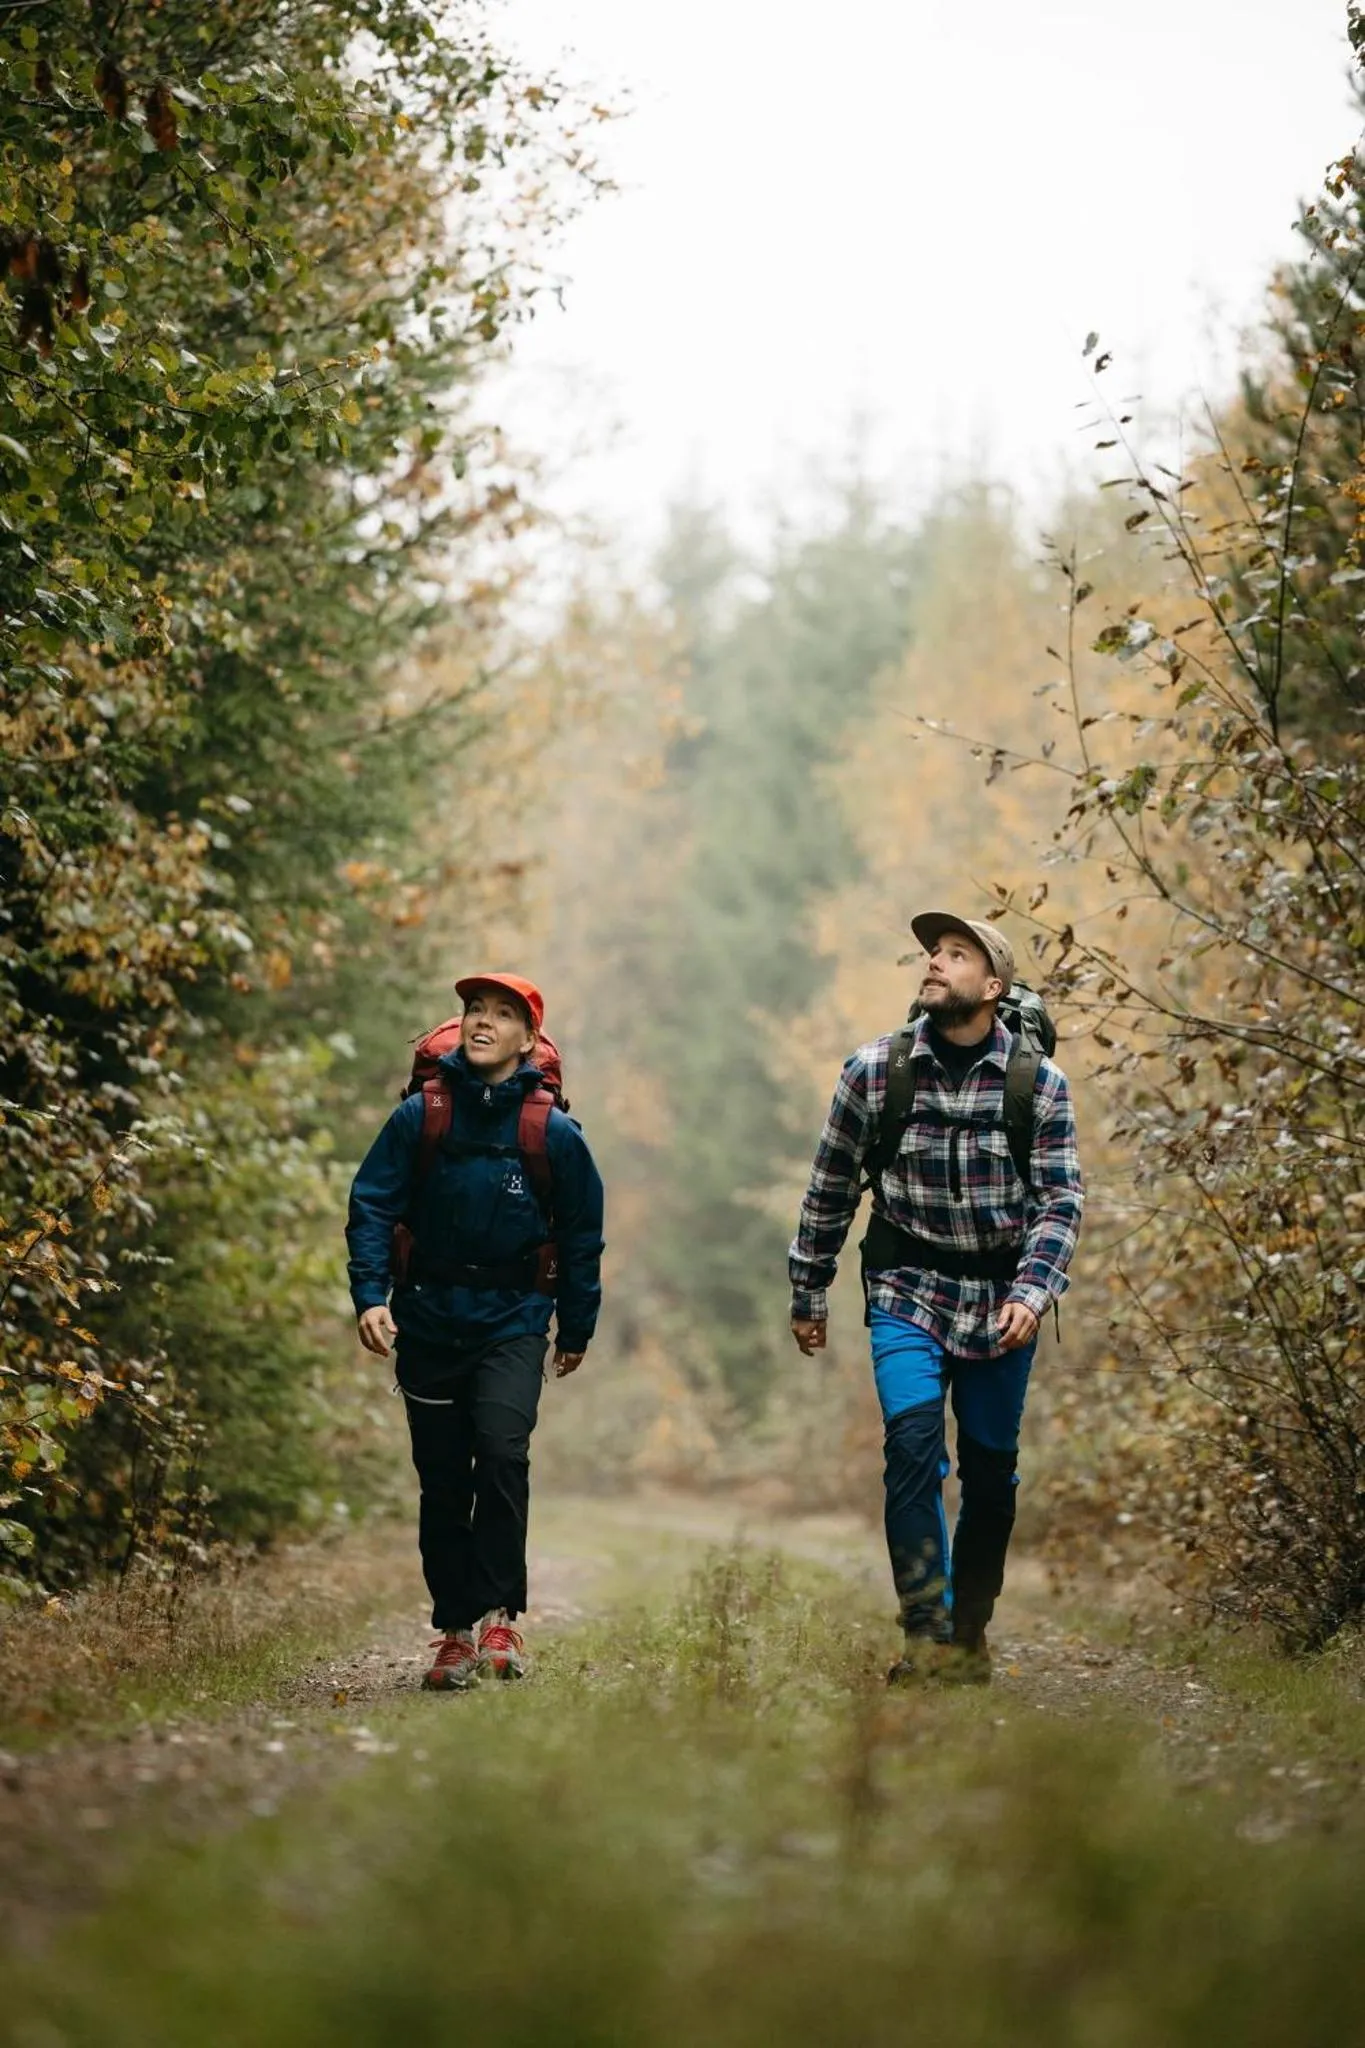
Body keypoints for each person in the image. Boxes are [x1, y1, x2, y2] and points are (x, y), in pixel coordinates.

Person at [788, 912, 1083, 1684]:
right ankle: (924, 1634)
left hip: (1000, 1298)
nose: (934, 962)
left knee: (990, 1474)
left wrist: (1033, 1289)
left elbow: (1059, 1202)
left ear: (993, 987)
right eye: (931, 952)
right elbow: (830, 1188)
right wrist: (808, 1289)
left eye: (956, 955)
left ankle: (968, 1634)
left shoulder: (1037, 1084)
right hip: (905, 1289)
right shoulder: (872, 1073)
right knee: (912, 1449)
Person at [346, 973, 604, 1690]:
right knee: (440, 1480)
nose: (482, 1022)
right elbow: (370, 1206)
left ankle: (499, 1615)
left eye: (501, 1014)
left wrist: (575, 1325)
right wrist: (370, 1295)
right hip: (427, 1317)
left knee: (499, 1455)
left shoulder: (552, 1132)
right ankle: (454, 1632)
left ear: (529, 1039)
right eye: (473, 1011)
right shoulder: (419, 1117)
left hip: (514, 1321)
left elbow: (582, 1236)